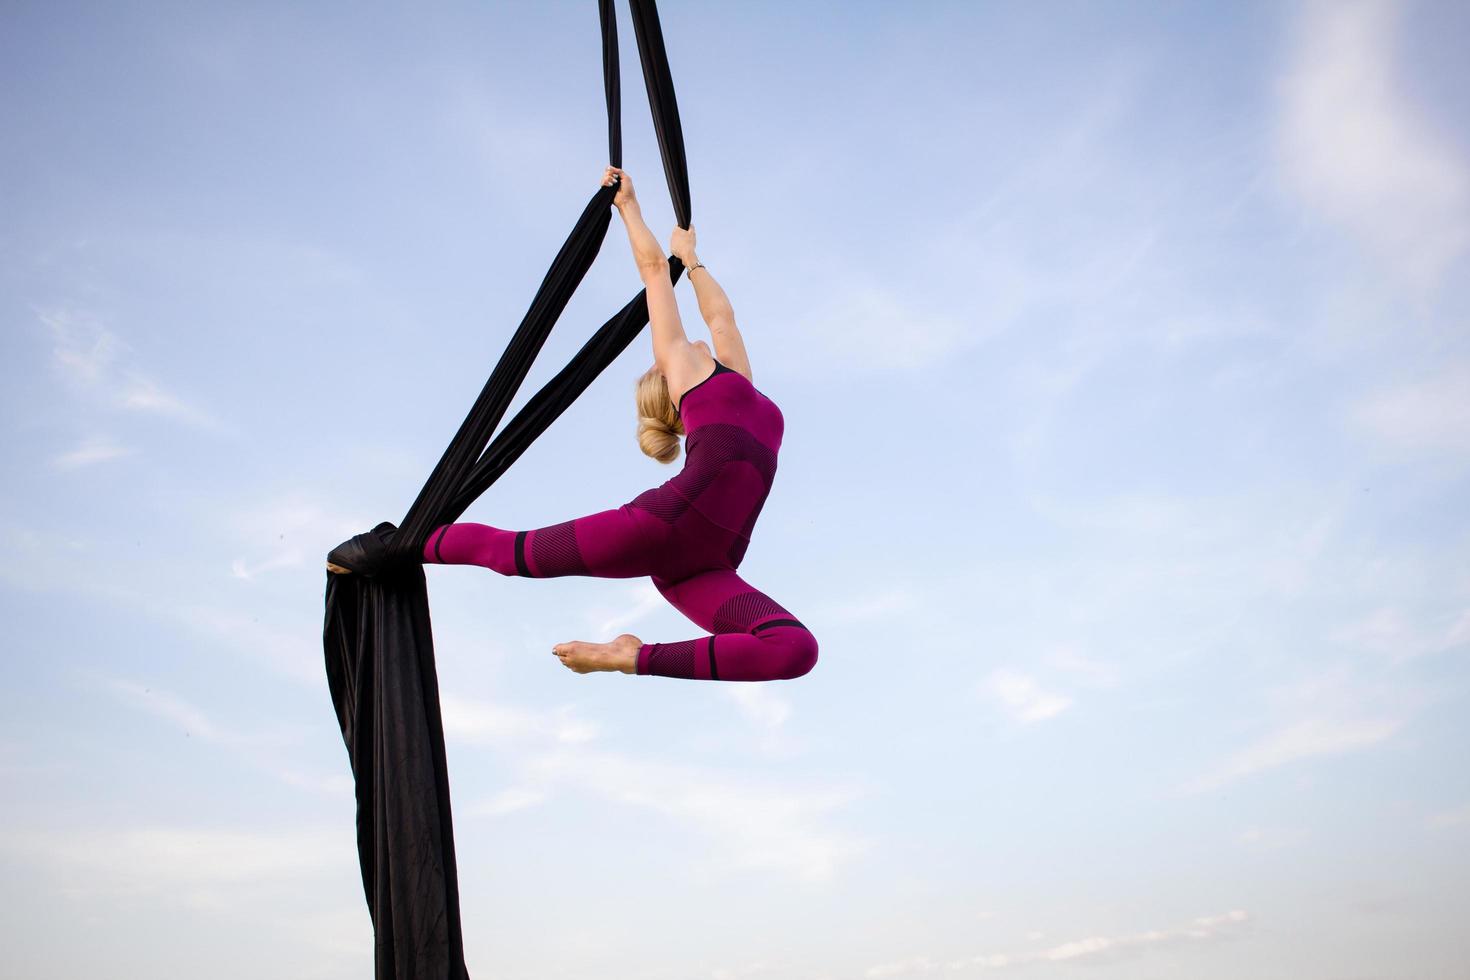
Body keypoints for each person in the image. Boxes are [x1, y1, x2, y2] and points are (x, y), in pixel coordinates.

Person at [328, 167, 816, 683]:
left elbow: (723, 320)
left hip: (707, 566)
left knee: (794, 650)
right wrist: (629, 207)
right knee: (511, 555)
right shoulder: (687, 372)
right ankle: (396, 546)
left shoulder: (738, 380)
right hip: (662, 527)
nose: (690, 338)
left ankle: (631, 656)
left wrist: (693, 261)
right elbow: (653, 270)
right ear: (666, 384)